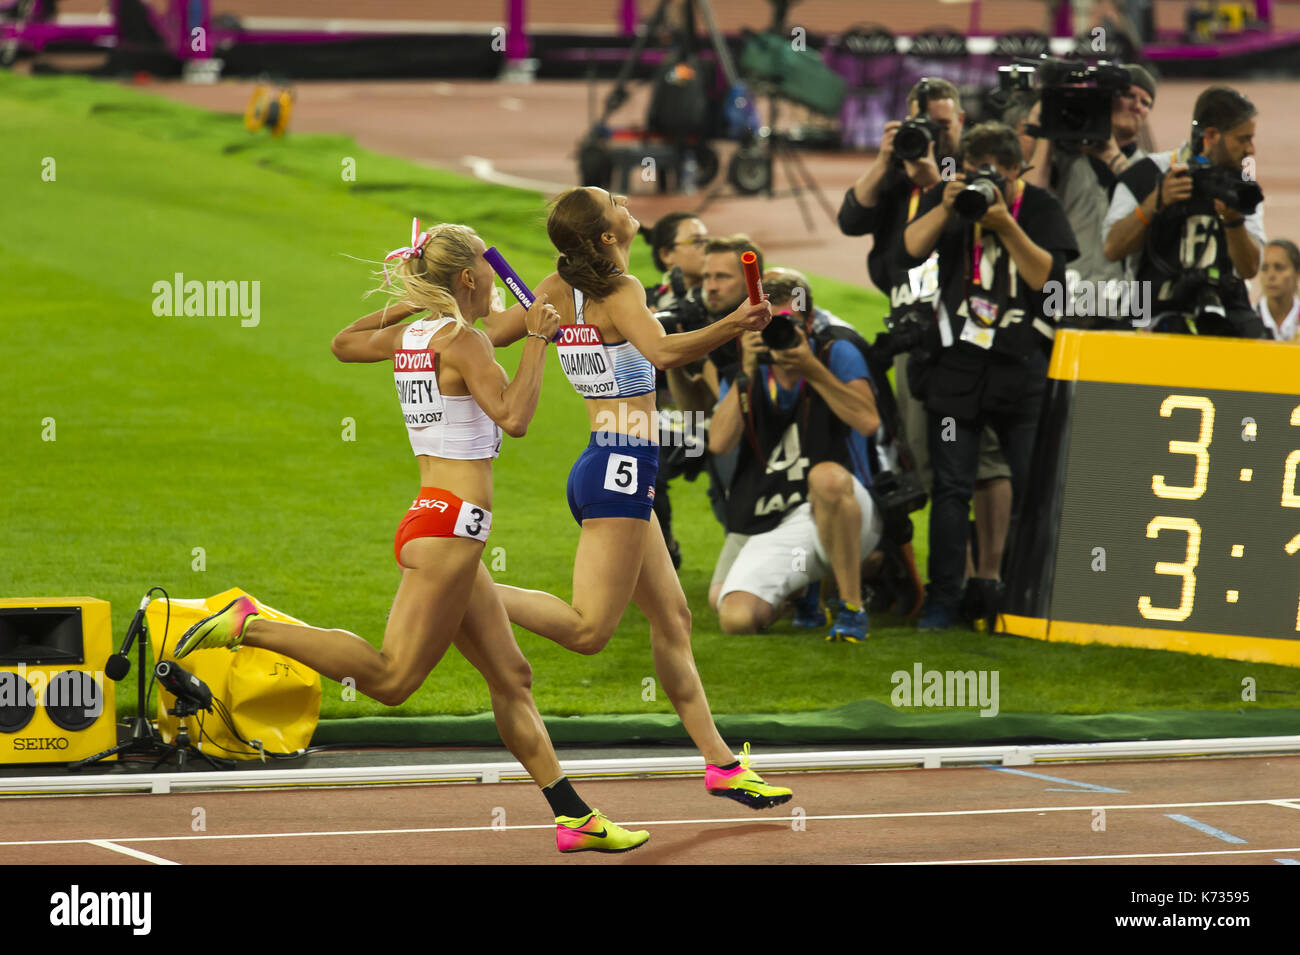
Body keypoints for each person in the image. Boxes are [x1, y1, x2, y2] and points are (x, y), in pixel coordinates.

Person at [172, 221, 648, 855]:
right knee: (393, 680)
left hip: (440, 522)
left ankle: (573, 815)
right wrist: (535, 342)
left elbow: (345, 342)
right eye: (485, 278)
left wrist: (414, 300)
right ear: (472, 280)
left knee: (512, 676)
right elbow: (516, 417)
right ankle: (249, 623)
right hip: (450, 528)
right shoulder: (466, 342)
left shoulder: (415, 336)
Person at [492, 187, 793, 810]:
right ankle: (469, 589)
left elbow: (494, 330)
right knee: (589, 630)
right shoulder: (620, 294)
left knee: (674, 619)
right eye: (612, 201)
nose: (625, 198)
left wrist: (428, 312)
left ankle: (722, 765)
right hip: (622, 466)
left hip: (607, 461)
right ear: (606, 237)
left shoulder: (552, 290)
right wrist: (734, 323)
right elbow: (661, 352)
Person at [838, 77, 1012, 625]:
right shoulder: (893, 179)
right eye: (923, 125)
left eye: (943, 124)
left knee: (980, 464)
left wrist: (936, 179)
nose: (935, 134)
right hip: (914, 341)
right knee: (929, 466)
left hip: (972, 338)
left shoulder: (971, 176)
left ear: (960, 122)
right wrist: (890, 157)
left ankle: (982, 585)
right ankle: (944, 586)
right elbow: (850, 219)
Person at [902, 122, 1079, 631]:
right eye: (978, 171)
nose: (987, 183)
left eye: (997, 174)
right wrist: (943, 205)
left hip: (1020, 369)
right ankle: (944, 599)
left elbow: (1048, 281)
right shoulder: (952, 200)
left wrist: (1005, 223)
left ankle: (1025, 595)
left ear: (1017, 171)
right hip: (956, 370)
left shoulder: (1040, 208)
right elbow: (910, 250)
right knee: (952, 490)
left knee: (1031, 488)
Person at [706, 272, 883, 640]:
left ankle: (851, 608)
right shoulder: (746, 367)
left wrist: (811, 369)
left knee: (826, 478)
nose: (778, 335)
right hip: (772, 514)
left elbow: (868, 422)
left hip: (839, 506)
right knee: (733, 616)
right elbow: (719, 443)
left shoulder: (835, 352)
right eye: (768, 324)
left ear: (809, 320)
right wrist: (748, 372)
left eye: (788, 324)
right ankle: (803, 592)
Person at [1103, 85, 1266, 338]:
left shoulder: (1243, 187)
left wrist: (1234, 222)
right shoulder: (1146, 174)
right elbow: (1112, 248)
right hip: (1152, 319)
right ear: (1211, 135)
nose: (1250, 150)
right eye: (1243, 139)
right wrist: (1155, 202)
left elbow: (1249, 269)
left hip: (1224, 320)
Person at [1021, 64, 1158, 323]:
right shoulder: (1063, 157)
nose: (1138, 106)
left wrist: (1112, 156)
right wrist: (1050, 125)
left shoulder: (1151, 169)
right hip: (1065, 299)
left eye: (1146, 103)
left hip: (1127, 307)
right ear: (1106, 100)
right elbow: (1028, 198)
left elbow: (1155, 212)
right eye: (1129, 96)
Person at [640, 212, 712, 568]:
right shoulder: (642, 303)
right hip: (667, 416)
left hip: (717, 413)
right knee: (640, 463)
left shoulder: (724, 296)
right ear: (667, 254)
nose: (707, 248)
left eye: (707, 240)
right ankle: (662, 549)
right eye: (697, 241)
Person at [1256, 239, 1300, 342]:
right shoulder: (1246, 322)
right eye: (1264, 268)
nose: (1270, 276)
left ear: (1297, 273)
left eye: (1279, 267)